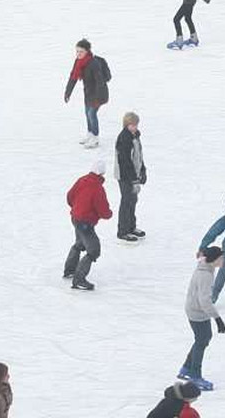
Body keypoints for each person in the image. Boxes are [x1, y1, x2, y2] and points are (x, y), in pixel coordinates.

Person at [178, 246, 225, 392]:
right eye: (221, 258)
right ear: (214, 260)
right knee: (202, 340)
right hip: (197, 312)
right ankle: (195, 375)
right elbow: (204, 301)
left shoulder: (206, 268)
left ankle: (186, 368)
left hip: (195, 309)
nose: (223, 260)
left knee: (202, 339)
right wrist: (218, 318)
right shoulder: (205, 275)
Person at [64, 158, 113, 290]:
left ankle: (69, 270)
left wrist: (76, 208)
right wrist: (109, 214)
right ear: (102, 174)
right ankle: (79, 280)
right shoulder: (97, 188)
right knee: (93, 250)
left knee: (80, 243)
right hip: (85, 222)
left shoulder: (82, 180)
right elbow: (103, 211)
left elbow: (69, 196)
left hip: (75, 218)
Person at [63, 39, 111, 149]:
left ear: (87, 51)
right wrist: (68, 92)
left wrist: (98, 99)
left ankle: (95, 138)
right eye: (77, 51)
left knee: (91, 114)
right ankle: (90, 134)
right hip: (88, 93)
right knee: (87, 113)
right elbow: (73, 77)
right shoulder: (78, 62)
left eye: (81, 52)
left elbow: (100, 82)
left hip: (99, 93)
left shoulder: (94, 63)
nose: (78, 54)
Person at [115, 111, 148, 243]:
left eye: (136, 124)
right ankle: (122, 231)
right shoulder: (124, 138)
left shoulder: (135, 136)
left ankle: (131, 227)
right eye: (132, 125)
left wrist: (143, 170)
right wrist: (133, 179)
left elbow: (139, 156)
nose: (135, 127)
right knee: (126, 201)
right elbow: (125, 161)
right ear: (126, 125)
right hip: (125, 176)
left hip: (134, 174)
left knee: (133, 201)